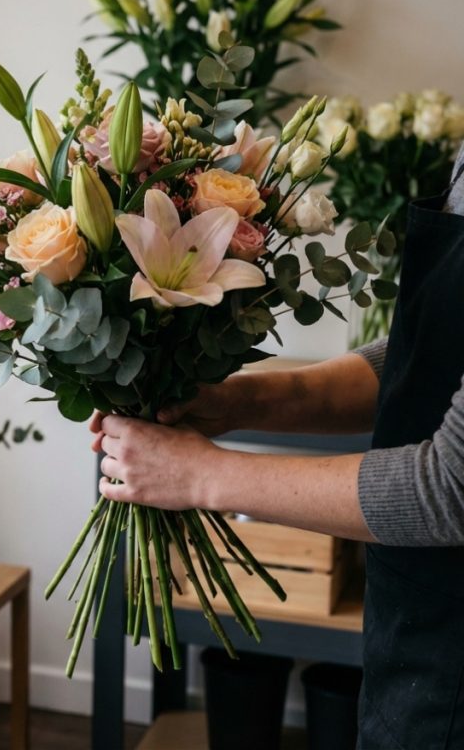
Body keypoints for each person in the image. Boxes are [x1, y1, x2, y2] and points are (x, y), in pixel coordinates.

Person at [91, 144, 464, 748]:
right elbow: (428, 367)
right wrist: (245, 402)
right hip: (416, 619)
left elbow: (453, 485)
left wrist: (199, 477)